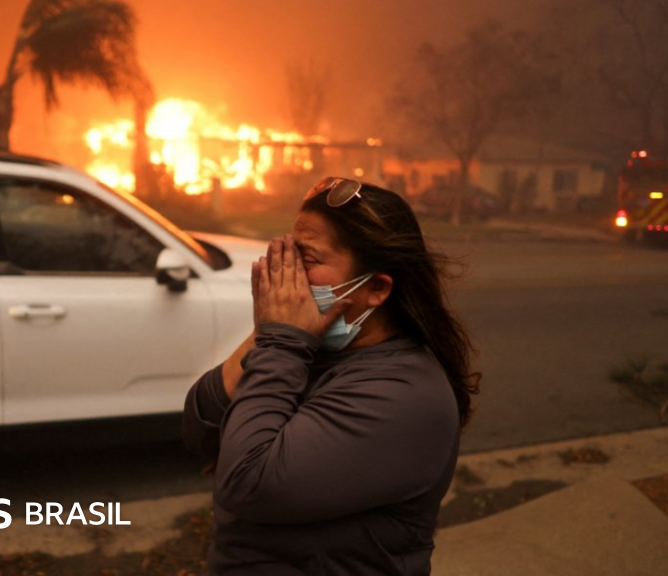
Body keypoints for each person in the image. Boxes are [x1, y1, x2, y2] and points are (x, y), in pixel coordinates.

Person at [181, 176, 481, 575]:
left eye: (306, 261)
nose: (287, 275)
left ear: (376, 288)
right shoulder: (304, 348)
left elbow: (247, 483)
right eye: (287, 254)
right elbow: (201, 425)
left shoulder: (405, 394)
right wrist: (268, 331)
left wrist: (281, 341)